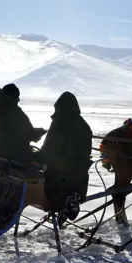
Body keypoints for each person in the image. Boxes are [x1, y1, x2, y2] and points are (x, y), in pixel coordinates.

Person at [38, 91, 93, 222]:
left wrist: (36, 157)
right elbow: (87, 151)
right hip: (79, 175)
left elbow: (49, 150)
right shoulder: (84, 126)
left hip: (58, 176)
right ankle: (72, 200)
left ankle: (63, 202)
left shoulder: (59, 124)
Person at [0, 84, 45, 165]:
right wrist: (40, 132)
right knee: (45, 158)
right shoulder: (16, 113)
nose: (19, 100)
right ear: (13, 97)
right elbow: (31, 135)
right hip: (16, 157)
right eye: (17, 96)